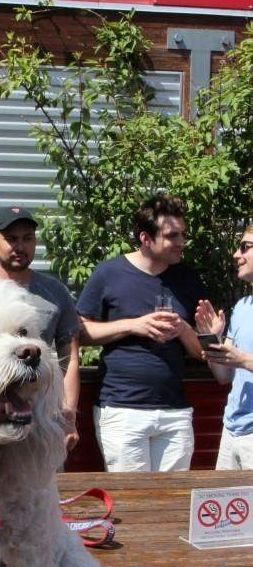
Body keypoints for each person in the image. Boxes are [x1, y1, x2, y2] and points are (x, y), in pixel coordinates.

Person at [77, 194, 205, 472]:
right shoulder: (109, 273)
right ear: (145, 238)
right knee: (131, 496)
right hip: (123, 410)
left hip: (175, 412)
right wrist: (133, 325)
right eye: (172, 236)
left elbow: (203, 352)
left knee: (173, 497)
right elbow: (80, 332)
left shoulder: (187, 278)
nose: (182, 242)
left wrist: (183, 329)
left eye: (183, 234)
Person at [0, 205, 81, 450]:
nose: (20, 246)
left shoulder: (55, 292)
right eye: (11, 239)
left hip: (41, 417)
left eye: (27, 238)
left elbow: (70, 358)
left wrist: (68, 414)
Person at [196, 227, 253, 470]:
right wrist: (211, 339)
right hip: (231, 431)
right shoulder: (242, 306)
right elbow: (223, 376)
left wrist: (244, 360)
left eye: (245, 247)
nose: (236, 254)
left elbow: (241, 360)